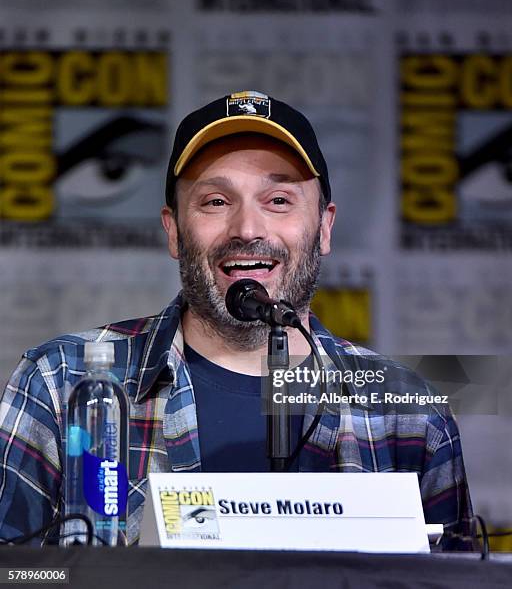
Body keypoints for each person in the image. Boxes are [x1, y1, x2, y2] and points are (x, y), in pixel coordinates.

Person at [0, 91, 472, 549]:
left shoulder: (410, 413)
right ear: (174, 231)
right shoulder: (63, 382)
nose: (247, 229)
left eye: (279, 200)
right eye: (215, 202)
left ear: (324, 227)